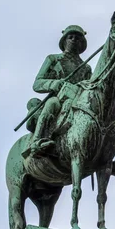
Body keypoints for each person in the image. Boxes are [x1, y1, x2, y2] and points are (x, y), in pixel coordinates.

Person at [25, 25, 92, 157]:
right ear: (64, 40)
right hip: (59, 100)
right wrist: (54, 83)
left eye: (78, 38)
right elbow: (37, 84)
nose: (74, 40)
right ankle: (38, 142)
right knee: (51, 104)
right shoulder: (53, 59)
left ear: (82, 43)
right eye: (70, 37)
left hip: (78, 102)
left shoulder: (86, 68)